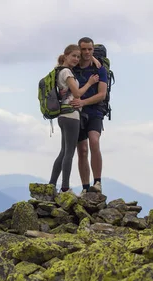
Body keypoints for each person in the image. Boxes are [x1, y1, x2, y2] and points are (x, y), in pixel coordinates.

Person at [48, 44, 99, 194]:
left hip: (63, 115)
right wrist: (90, 83)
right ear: (66, 56)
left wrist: (93, 58)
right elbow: (77, 94)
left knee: (63, 151)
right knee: (69, 152)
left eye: (78, 56)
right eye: (74, 56)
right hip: (71, 115)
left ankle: (52, 184)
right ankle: (65, 187)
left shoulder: (59, 71)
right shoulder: (67, 73)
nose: (76, 59)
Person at [70, 37, 109, 194]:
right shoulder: (73, 67)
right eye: (84, 49)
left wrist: (83, 103)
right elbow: (63, 58)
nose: (87, 52)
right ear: (79, 50)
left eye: (90, 49)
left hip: (94, 111)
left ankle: (97, 183)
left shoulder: (100, 69)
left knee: (94, 142)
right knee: (82, 150)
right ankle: (85, 187)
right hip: (76, 113)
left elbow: (102, 94)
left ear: (93, 50)